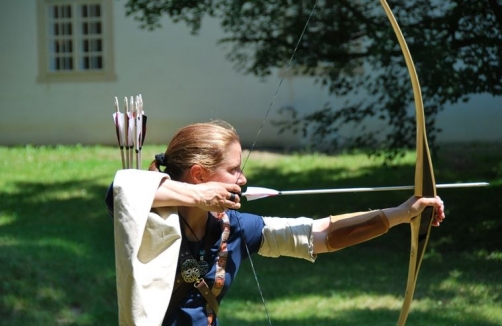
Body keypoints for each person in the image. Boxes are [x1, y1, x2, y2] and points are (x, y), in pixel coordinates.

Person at [105, 120, 445, 326]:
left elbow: (321, 235)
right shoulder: (146, 214)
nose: (243, 177)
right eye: (234, 169)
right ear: (200, 175)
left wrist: (402, 214)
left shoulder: (232, 227)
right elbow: (123, 189)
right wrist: (198, 197)